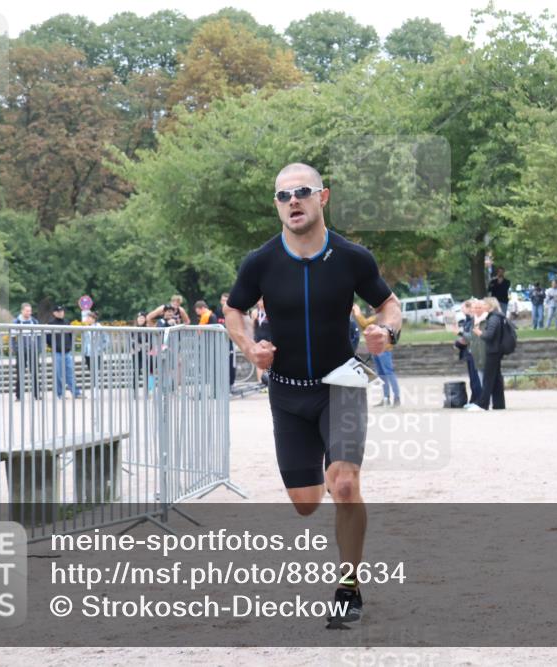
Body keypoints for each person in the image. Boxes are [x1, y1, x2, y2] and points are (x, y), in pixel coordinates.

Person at [223, 162, 401, 628]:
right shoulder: (260, 262)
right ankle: (322, 472)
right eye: (283, 196)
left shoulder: (351, 257)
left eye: (302, 192)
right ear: (277, 206)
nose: (293, 201)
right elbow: (234, 310)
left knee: (344, 485)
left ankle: (349, 587)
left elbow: (388, 305)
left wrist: (385, 330)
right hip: (287, 392)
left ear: (323, 197)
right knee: (305, 502)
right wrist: (249, 347)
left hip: (342, 383)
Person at [353, 304, 400, 407]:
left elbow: (364, 324)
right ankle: (386, 398)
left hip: (384, 349)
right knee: (382, 374)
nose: (370, 307)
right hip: (379, 350)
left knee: (388, 373)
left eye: (372, 305)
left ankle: (396, 398)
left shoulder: (380, 316)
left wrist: (357, 312)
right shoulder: (379, 316)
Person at [466, 297, 507, 411]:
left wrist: (479, 332)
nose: (482, 307)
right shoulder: (496, 316)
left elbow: (489, 336)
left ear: (490, 306)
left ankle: (482, 404)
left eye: (484, 305)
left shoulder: (494, 318)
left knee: (488, 380)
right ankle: (499, 404)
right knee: (497, 380)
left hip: (492, 352)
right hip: (495, 351)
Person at [46, 304, 81, 399]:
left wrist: (69, 346)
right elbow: (48, 339)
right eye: (59, 311)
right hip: (57, 352)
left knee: (70, 373)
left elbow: (70, 336)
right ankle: (60, 394)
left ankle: (76, 393)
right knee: (58, 375)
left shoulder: (67, 322)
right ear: (54, 313)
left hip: (67, 352)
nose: (61, 313)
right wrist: (54, 346)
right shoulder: (50, 324)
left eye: (62, 311)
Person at [11, 302, 42, 401]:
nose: (29, 312)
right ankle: (19, 395)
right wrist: (15, 349)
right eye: (27, 311)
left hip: (33, 350)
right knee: (20, 373)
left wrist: (38, 349)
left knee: (35, 372)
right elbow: (12, 337)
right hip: (21, 350)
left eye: (30, 311)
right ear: (22, 311)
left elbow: (39, 337)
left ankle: (37, 394)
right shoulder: (16, 322)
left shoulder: (34, 321)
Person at [455, 299, 482, 403]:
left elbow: (471, 337)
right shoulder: (468, 320)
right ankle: (474, 399)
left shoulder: (475, 320)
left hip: (475, 352)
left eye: (463, 308)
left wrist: (459, 334)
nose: (462, 311)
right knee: (473, 379)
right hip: (469, 352)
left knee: (476, 378)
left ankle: (478, 400)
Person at [130, 312, 154, 391]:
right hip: (137, 353)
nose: (140, 319)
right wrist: (133, 347)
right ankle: (134, 390)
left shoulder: (148, 328)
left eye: (142, 318)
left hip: (147, 353)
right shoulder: (133, 329)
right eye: (139, 318)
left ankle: (149, 389)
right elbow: (131, 340)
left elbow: (151, 341)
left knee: (149, 371)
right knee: (136, 371)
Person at [252, 297, 272, 383]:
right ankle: (260, 381)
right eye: (259, 301)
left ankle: (269, 381)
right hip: (258, 339)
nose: (261, 303)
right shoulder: (255, 312)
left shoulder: (270, 311)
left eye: (263, 301)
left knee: (269, 361)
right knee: (259, 361)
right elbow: (252, 326)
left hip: (269, 339)